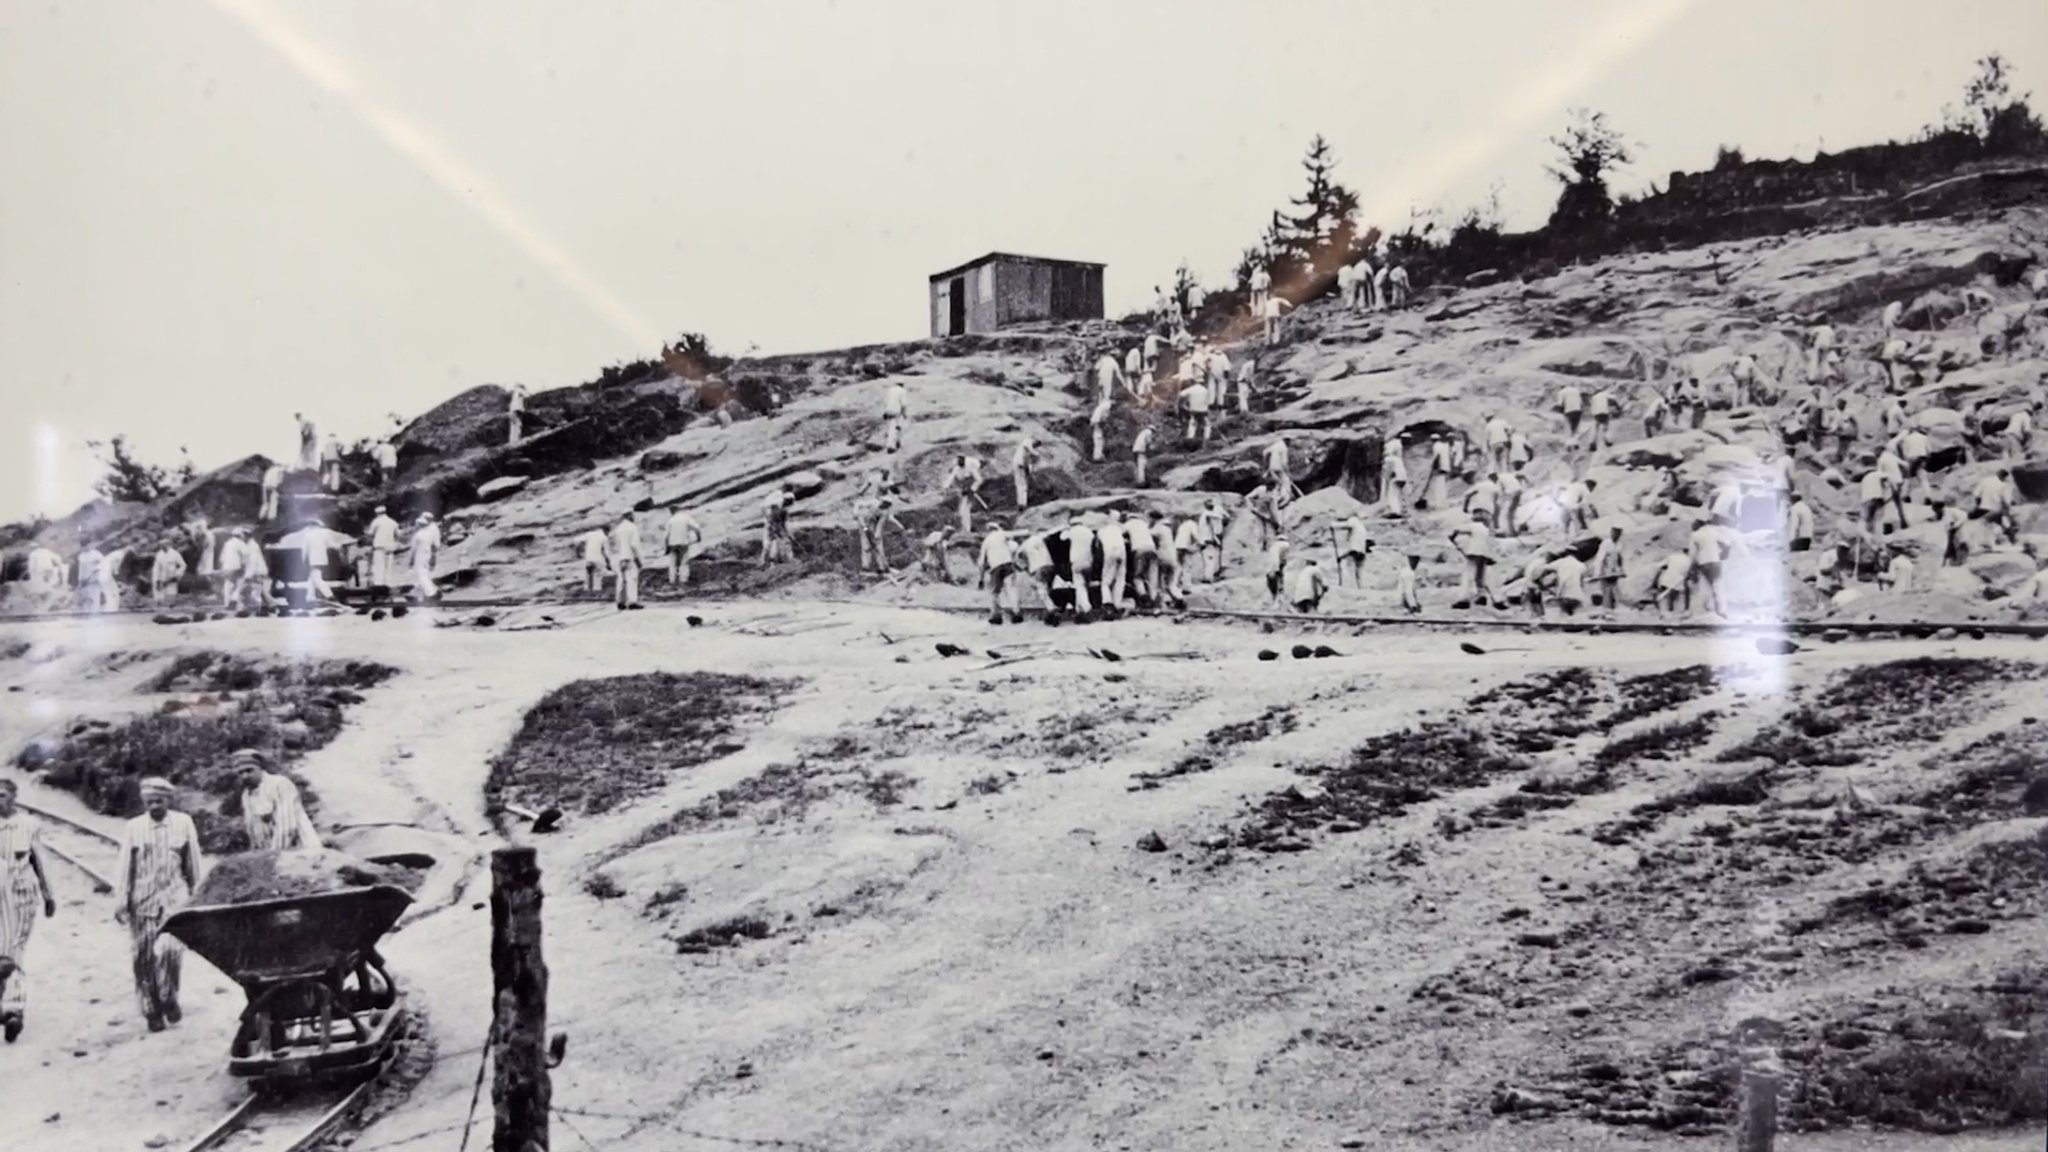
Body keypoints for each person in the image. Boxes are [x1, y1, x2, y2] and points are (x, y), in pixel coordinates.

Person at [115, 778, 202, 1033]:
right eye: (149, 801)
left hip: (175, 898)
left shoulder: (183, 823)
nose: (154, 806)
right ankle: (151, 1009)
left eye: (159, 800)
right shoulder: (134, 827)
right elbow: (124, 867)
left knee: (171, 952)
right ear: (143, 802)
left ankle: (169, 997)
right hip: (142, 901)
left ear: (169, 800)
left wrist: (197, 895)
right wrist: (121, 900)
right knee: (143, 958)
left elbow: (193, 862)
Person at [0, 779, 56, 1044]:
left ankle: (14, 1009)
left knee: (14, 951)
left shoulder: (29, 826)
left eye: (2, 795)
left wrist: (48, 895)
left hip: (22, 897)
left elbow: (39, 861)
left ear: (14, 797)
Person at [230, 750, 321, 851]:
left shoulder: (280, 784)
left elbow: (287, 827)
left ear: (260, 768)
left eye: (249, 770)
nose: (245, 776)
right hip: (273, 854)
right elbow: (253, 832)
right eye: (241, 773)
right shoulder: (246, 795)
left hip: (301, 850)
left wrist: (274, 855)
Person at [976, 521, 1022, 624]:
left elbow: (981, 562)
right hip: (1008, 564)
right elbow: (1014, 542)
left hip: (995, 566)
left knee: (995, 592)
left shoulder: (986, 541)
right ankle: (1017, 612)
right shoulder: (1002, 535)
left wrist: (981, 579)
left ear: (987, 530)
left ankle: (996, 616)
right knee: (1011, 589)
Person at [1449, 514, 1496, 608]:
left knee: (1468, 576)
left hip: (1474, 553)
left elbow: (1456, 530)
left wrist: (1452, 537)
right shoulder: (1486, 530)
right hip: (1484, 554)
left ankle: (1464, 600)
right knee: (1479, 576)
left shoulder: (1473, 525)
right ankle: (1481, 596)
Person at [854, 496, 905, 575]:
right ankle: (865, 567)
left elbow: (880, 525)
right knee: (866, 546)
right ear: (881, 501)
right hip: (863, 522)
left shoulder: (884, 512)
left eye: (887, 505)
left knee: (878, 547)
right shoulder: (871, 503)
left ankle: (881, 567)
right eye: (884, 503)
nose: (884, 506)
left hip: (873, 524)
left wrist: (876, 536)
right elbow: (859, 511)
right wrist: (864, 527)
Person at [1060, 515, 1097, 621]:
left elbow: (1062, 537)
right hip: (1089, 562)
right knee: (1084, 586)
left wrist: (1066, 528)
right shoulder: (1088, 531)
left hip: (1077, 562)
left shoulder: (1072, 531)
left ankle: (1086, 608)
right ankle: (1079, 610)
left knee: (1079, 587)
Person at [1687, 518, 1727, 616]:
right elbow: (1726, 543)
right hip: (1716, 562)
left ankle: (1704, 611)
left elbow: (1692, 554)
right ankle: (1721, 612)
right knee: (1718, 586)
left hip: (1704, 563)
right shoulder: (1714, 532)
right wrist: (1722, 554)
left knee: (1704, 587)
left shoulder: (1695, 535)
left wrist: (1691, 567)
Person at [1124, 511, 1159, 608]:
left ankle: (1144, 597)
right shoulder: (1144, 524)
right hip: (1152, 549)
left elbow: (1121, 534)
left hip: (1140, 550)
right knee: (1152, 576)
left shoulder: (1128, 524)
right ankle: (1154, 598)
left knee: (1138, 576)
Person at [1017, 527, 1057, 613]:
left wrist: (1025, 568)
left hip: (1038, 567)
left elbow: (1018, 557)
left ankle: (1051, 609)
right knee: (1046, 587)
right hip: (1050, 566)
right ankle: (1051, 606)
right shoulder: (1039, 538)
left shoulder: (1024, 544)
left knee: (1040, 588)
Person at [1148, 513, 1182, 608]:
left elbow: (1147, 533)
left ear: (1153, 518)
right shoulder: (1168, 528)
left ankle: (1162, 601)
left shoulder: (1158, 528)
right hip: (1173, 557)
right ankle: (1179, 598)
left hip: (1163, 557)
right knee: (1171, 582)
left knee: (1160, 581)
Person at [1096, 515, 1129, 615]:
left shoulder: (1100, 531)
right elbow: (1126, 538)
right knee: (1120, 579)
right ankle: (1117, 604)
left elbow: (1097, 547)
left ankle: (1107, 604)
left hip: (1110, 552)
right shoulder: (1117, 528)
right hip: (1122, 552)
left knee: (1106, 582)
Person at [665, 507, 703, 588]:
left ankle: (672, 582)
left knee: (672, 563)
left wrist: (666, 547)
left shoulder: (671, 520)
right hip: (683, 543)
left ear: (673, 511)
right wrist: (698, 537)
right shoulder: (686, 518)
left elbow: (666, 535)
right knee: (684, 563)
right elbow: (697, 528)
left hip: (672, 544)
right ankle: (683, 581)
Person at [365, 505, 401, 589]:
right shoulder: (393, 522)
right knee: (388, 567)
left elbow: (370, 534)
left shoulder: (376, 522)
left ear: (377, 513)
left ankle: (379, 585)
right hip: (390, 547)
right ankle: (388, 584)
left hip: (379, 547)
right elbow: (398, 535)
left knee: (379, 567)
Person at [1591, 526, 1625, 612]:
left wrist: (1621, 569)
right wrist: (1598, 572)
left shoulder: (1620, 544)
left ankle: (1613, 607)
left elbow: (1619, 557)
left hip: (1614, 569)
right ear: (1611, 533)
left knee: (1614, 588)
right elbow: (1600, 558)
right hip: (1605, 569)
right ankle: (1606, 608)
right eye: (1614, 533)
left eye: (1618, 533)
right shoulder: (1606, 543)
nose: (1615, 535)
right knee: (1606, 589)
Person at [411, 513, 444, 602]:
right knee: (421, 574)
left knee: (423, 574)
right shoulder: (427, 529)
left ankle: (432, 593)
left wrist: (433, 557)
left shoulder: (432, 529)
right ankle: (419, 592)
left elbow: (435, 544)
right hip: (427, 553)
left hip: (425, 554)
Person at [1654, 550, 1693, 615]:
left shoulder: (1672, 557)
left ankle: (1667, 609)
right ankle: (1686, 609)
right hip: (1677, 581)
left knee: (1668, 592)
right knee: (1684, 589)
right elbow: (1687, 573)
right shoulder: (1688, 560)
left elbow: (1661, 565)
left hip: (1666, 579)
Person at [1198, 499, 1228, 582]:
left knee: (1208, 560)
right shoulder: (1207, 514)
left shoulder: (1205, 516)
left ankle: (1207, 577)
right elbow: (1220, 516)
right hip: (1207, 541)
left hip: (1204, 540)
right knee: (1210, 560)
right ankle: (1209, 578)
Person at [762, 486, 794, 565]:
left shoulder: (773, 511)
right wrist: (789, 534)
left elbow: (771, 522)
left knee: (769, 548)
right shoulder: (783, 511)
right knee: (783, 547)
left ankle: (768, 562)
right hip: (777, 532)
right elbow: (784, 524)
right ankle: (785, 561)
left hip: (772, 531)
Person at [1930, 499, 1968, 566]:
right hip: (1956, 525)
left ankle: (1961, 560)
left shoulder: (1949, 512)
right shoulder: (1943, 513)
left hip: (1964, 523)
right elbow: (1945, 524)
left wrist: (1954, 527)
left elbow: (1962, 518)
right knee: (1952, 542)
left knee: (1960, 542)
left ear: (1940, 508)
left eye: (1935, 510)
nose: (1935, 512)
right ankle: (1952, 558)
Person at [578, 524, 612, 593]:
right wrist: (609, 563)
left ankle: (587, 592)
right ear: (606, 531)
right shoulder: (604, 537)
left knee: (588, 576)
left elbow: (578, 541)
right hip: (598, 560)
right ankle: (597, 592)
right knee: (598, 576)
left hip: (588, 559)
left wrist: (578, 552)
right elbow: (606, 552)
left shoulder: (589, 534)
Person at [1382, 433, 1409, 516]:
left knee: (1392, 494)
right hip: (1403, 477)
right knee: (1399, 494)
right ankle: (1402, 509)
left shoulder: (1389, 459)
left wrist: (1386, 478)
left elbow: (1388, 472)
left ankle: (1394, 511)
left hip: (1396, 478)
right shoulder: (1398, 459)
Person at [1180, 375, 1212, 444]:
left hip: (1193, 409)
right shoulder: (1205, 390)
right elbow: (1208, 401)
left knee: (1192, 423)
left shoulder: (1191, 389)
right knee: (1207, 423)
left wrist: (1184, 403)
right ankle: (1207, 437)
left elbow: (1181, 394)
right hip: (1203, 409)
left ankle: (1190, 437)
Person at [98, 546, 129, 612]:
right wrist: (116, 571)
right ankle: (111, 610)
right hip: (105, 574)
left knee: (112, 593)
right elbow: (116, 567)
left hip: (102, 573)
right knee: (112, 593)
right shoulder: (120, 554)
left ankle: (109, 609)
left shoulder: (115, 553)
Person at [1262, 536, 1291, 605]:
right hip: (1276, 565)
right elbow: (1282, 559)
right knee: (1279, 576)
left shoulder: (1274, 546)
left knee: (1275, 578)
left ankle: (1277, 595)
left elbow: (1275, 559)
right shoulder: (1284, 545)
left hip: (1273, 566)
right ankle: (1280, 592)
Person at [1263, 435, 1292, 502]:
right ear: (1287, 441)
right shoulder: (1284, 448)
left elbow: (1265, 452)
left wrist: (1266, 464)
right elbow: (1284, 463)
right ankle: (1284, 498)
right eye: (1289, 441)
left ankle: (1276, 498)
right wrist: (1288, 473)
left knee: (1277, 483)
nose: (1290, 443)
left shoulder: (1276, 445)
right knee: (1285, 482)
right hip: (1279, 468)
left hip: (1272, 468)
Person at [881, 380, 908, 453]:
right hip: (897, 410)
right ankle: (894, 444)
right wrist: (904, 414)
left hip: (888, 410)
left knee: (891, 426)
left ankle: (893, 443)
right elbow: (903, 404)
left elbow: (886, 401)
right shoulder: (902, 391)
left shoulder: (891, 390)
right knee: (897, 427)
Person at [1011, 437, 1038, 508]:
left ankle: (1022, 503)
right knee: (1020, 484)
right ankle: (1021, 503)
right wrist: (1035, 454)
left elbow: (1030, 462)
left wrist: (1030, 470)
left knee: (1023, 485)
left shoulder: (1028, 451)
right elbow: (1028, 447)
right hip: (1019, 464)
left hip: (1021, 465)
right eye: (1036, 444)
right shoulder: (1027, 441)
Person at [1089, 395, 1111, 462]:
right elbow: (1095, 422)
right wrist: (1102, 425)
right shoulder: (1099, 410)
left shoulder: (1102, 409)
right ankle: (1097, 457)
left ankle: (1099, 455)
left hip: (1099, 430)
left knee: (1100, 443)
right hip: (1098, 430)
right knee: (1098, 442)